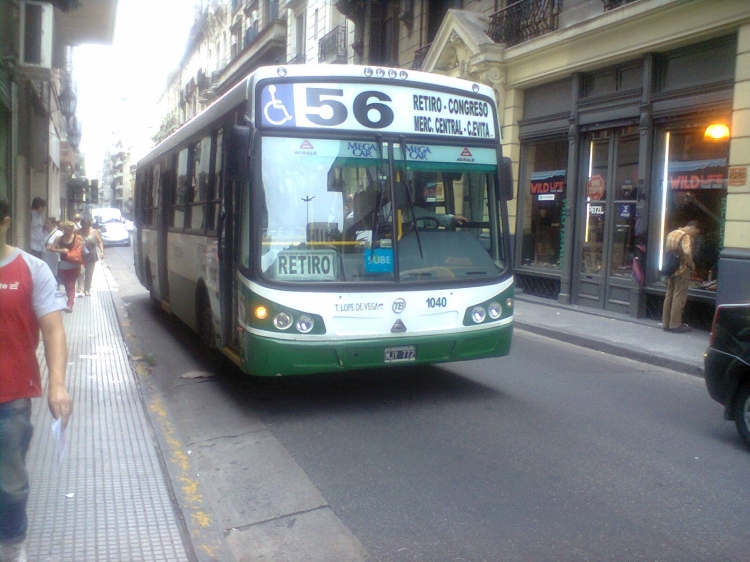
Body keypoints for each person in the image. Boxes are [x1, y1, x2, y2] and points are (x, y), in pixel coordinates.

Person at [0, 197, 72, 562]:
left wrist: (57, 383)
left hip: (9, 398)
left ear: (5, 223)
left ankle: (12, 547)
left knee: (9, 486)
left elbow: (54, 331)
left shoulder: (31, 269)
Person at [662, 220, 701, 333]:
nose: (695, 235)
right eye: (696, 232)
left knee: (669, 295)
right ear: (693, 227)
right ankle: (675, 324)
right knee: (679, 297)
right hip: (681, 269)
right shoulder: (685, 236)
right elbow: (687, 252)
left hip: (670, 269)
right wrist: (691, 263)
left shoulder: (671, 233)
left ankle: (665, 324)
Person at [49, 221, 83, 313]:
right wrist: (61, 250)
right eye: (66, 230)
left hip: (75, 264)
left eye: (70, 230)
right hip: (63, 265)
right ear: (64, 229)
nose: (68, 232)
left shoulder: (78, 238)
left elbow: (83, 249)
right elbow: (51, 248)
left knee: (71, 284)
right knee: (67, 285)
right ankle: (70, 300)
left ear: (73, 230)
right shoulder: (60, 238)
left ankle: (70, 304)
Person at [78, 218, 104, 296]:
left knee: (89, 273)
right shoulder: (78, 232)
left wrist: (101, 252)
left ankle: (87, 289)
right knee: (81, 272)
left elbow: (100, 242)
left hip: (91, 255)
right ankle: (80, 289)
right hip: (81, 255)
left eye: (86, 227)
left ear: (89, 226)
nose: (85, 228)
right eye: (83, 227)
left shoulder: (94, 232)